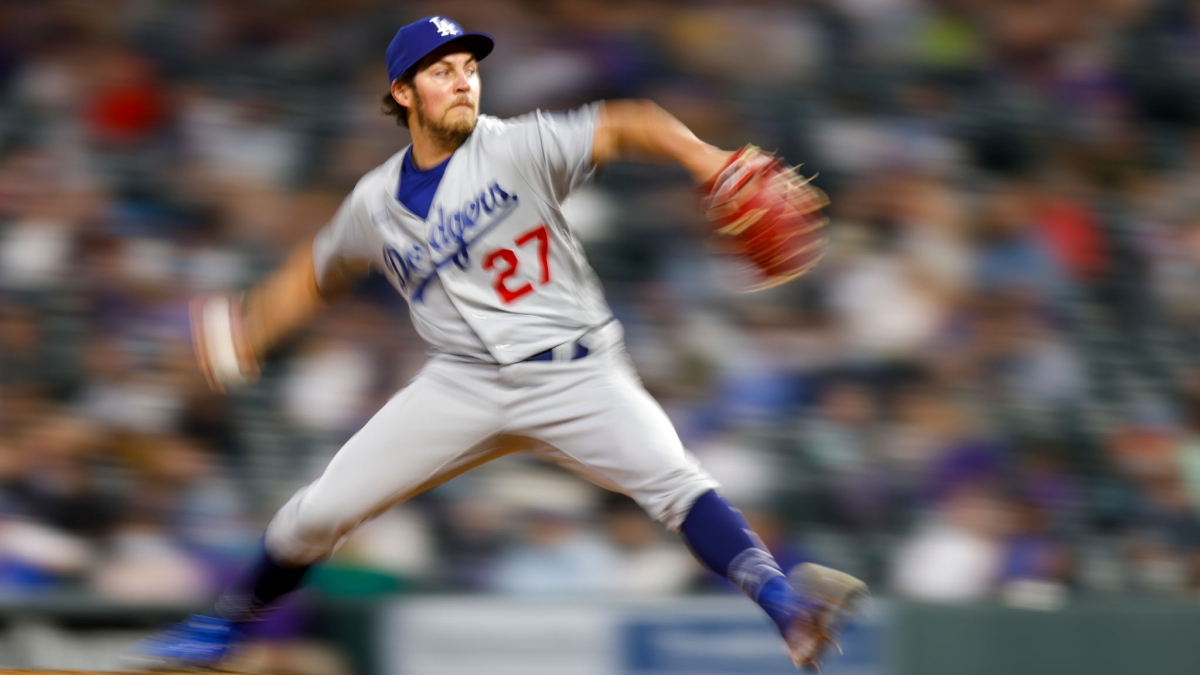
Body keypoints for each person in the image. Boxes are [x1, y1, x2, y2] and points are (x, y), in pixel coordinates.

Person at [134, 15, 866, 670]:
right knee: (315, 514)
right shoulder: (374, 201)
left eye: (470, 68)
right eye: (442, 71)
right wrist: (254, 324)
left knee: (679, 484)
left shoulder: (518, 146)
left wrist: (706, 157)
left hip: (578, 375)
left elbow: (624, 121)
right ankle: (222, 629)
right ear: (402, 94)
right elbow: (318, 272)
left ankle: (789, 610)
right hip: (462, 385)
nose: (462, 81)